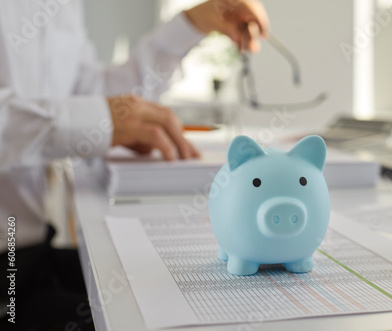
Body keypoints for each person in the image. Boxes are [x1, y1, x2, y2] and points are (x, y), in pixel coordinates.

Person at [0, 0, 269, 329]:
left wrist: (191, 25)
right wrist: (96, 119)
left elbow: (92, 95)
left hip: (26, 254)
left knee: (168, 287)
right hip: (10, 274)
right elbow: (88, 112)